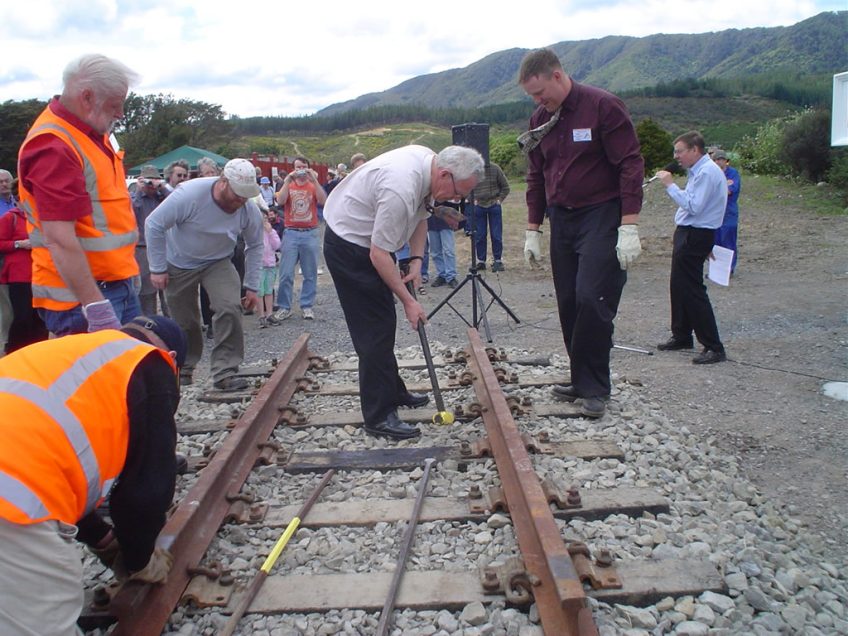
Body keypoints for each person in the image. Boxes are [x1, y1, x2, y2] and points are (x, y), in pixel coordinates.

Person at [0, 315, 187, 634]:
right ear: (171, 360)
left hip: (17, 476)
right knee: (44, 620)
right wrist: (140, 559)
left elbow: (58, 463)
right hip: (12, 496)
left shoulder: (76, 354)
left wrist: (102, 538)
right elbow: (146, 491)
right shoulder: (151, 363)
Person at [323, 144, 484, 440]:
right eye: (459, 192)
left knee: (383, 322)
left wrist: (416, 260)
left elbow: (421, 216)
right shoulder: (400, 187)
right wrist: (409, 301)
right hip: (350, 245)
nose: (458, 200)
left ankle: (393, 391)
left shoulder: (428, 164)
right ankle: (379, 416)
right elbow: (379, 254)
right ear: (445, 174)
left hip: (370, 241)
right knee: (374, 330)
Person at [518, 48, 644, 419]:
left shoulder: (603, 106)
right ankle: (580, 378)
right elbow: (536, 175)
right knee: (570, 301)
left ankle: (595, 387)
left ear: (558, 75)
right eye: (533, 97)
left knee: (593, 297)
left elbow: (630, 164)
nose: (539, 101)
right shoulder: (542, 119)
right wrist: (533, 228)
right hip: (563, 218)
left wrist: (629, 224)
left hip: (601, 215)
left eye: (541, 92)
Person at [17, 53, 142, 337]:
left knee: (127, 377)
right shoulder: (54, 145)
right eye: (115, 105)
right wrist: (95, 305)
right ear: (87, 97)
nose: (120, 114)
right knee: (102, 379)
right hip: (82, 297)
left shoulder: (87, 135)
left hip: (111, 284)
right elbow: (59, 238)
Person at [145, 158, 263, 391]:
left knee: (229, 307)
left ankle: (225, 371)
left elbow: (256, 244)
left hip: (218, 261)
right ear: (223, 182)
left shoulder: (247, 208)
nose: (241, 200)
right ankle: (186, 368)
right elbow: (154, 224)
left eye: (245, 196)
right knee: (185, 320)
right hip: (179, 262)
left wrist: (251, 286)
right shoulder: (189, 195)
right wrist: (157, 268)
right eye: (237, 194)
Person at [655, 131, 727, 364]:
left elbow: (694, 206)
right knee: (679, 284)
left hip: (697, 233)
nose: (676, 156)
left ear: (695, 150)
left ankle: (713, 346)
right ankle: (682, 334)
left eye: (680, 151)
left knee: (693, 289)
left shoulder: (707, 172)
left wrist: (670, 185)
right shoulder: (698, 171)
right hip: (689, 231)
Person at [273, 156, 327, 321]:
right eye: (298, 167)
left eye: (304, 166)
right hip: (291, 232)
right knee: (286, 273)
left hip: (310, 232)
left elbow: (324, 201)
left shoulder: (312, 185)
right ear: (293, 168)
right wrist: (288, 179)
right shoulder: (289, 185)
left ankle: (307, 306)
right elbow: (280, 201)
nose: (301, 170)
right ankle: (284, 306)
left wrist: (315, 180)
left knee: (310, 273)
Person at [0, 206, 48, 352]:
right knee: (22, 316)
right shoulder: (10, 217)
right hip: (18, 275)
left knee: (40, 316)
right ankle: (15, 350)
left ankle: (38, 350)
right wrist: (19, 244)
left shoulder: (40, 216)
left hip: (40, 273)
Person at [131, 165, 170, 316]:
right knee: (146, 294)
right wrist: (140, 191)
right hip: (142, 249)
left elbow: (176, 202)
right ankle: (149, 324)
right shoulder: (134, 198)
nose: (151, 185)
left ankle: (174, 325)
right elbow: (132, 211)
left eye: (153, 180)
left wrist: (163, 187)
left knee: (169, 293)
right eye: (148, 181)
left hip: (165, 247)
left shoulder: (163, 197)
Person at [469, 161, 510, 272]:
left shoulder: (495, 168)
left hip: (494, 206)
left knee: (496, 235)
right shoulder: (472, 170)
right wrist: (472, 200)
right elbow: (466, 188)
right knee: (480, 235)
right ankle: (481, 261)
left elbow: (506, 187)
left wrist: (499, 200)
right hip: (479, 206)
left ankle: (497, 260)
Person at [711, 149, 741, 274]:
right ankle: (717, 270)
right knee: (715, 241)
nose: (720, 162)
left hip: (729, 212)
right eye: (717, 159)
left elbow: (729, 190)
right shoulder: (711, 173)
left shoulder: (733, 174)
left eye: (722, 159)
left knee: (728, 239)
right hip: (714, 212)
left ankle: (729, 268)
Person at [0, 169, 18, 351]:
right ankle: (4, 343)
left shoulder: (16, 202)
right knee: (7, 309)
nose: (4, 184)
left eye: (6, 181)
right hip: (3, 261)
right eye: (0, 182)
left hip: (18, 265)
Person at [258, 209, 282, 328]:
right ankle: (261, 316)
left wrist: (271, 232)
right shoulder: (254, 232)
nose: (264, 221)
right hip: (259, 265)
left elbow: (277, 245)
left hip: (271, 264)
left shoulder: (271, 231)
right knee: (259, 291)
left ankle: (269, 314)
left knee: (269, 290)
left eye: (266, 219)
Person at [428, 201, 458, 288]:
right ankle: (442, 275)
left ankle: (451, 276)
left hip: (446, 219)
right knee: (435, 251)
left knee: (448, 250)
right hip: (432, 220)